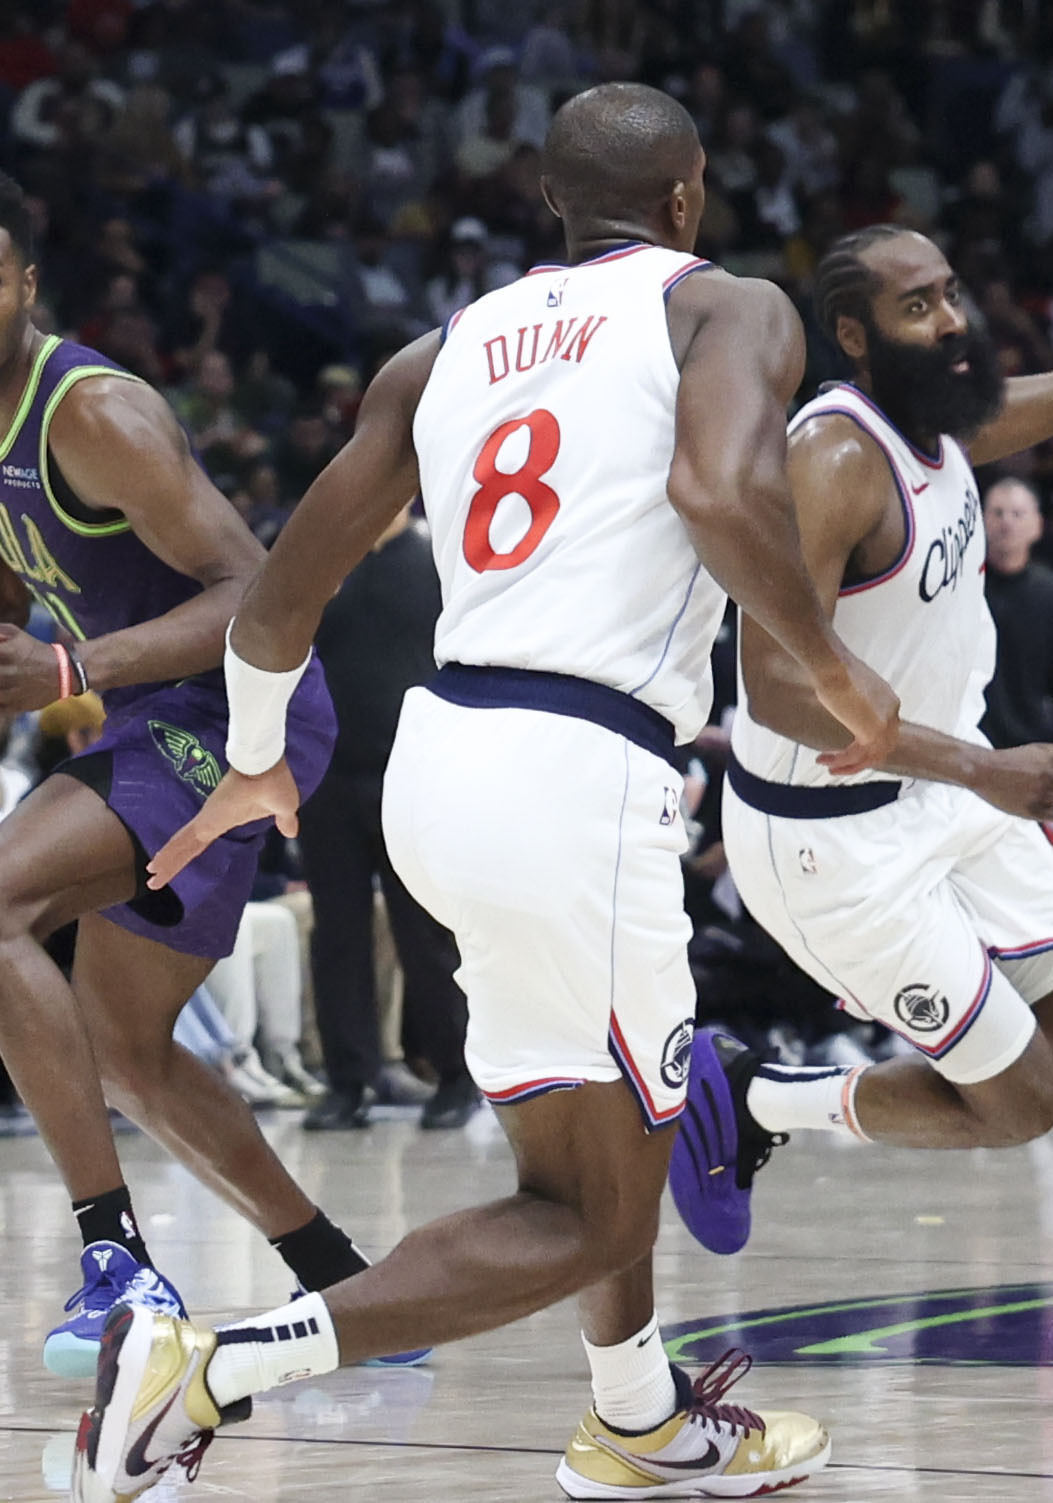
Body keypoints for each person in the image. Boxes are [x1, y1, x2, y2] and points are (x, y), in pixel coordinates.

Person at [81, 83, 899, 1500]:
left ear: (551, 206)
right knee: (579, 1211)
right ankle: (207, 1364)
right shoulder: (722, 309)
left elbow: (275, 598)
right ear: (689, 199)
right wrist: (834, 671)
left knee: (608, 1131)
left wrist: (261, 749)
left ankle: (638, 1418)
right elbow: (715, 495)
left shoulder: (439, 350)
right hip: (579, 771)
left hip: (444, 755)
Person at [664, 223, 1053, 1378]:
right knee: (1018, 1104)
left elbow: (1011, 416)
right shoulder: (837, 462)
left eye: (952, 294)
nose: (950, 321)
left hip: (941, 792)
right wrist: (983, 769)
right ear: (851, 335)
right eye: (918, 308)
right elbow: (773, 687)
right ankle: (760, 1099)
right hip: (832, 844)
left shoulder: (929, 422)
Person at [0, 170, 413, 1384]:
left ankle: (117, 1261)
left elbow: (258, 592)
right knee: (127, 1046)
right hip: (142, 713)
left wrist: (71, 661)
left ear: (24, 280)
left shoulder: (94, 411)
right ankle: (349, 1287)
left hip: (240, 711)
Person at [297, 504, 474, 1132]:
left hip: (413, 773)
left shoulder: (438, 558)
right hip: (327, 774)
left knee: (424, 933)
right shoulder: (324, 562)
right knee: (336, 934)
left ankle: (456, 1074)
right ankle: (349, 1081)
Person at [978, 476, 1053, 750]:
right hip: (968, 741)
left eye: (1017, 514)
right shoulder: (962, 588)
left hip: (1031, 744)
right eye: (998, 513)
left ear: (1037, 525)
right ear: (981, 520)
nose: (1006, 522)